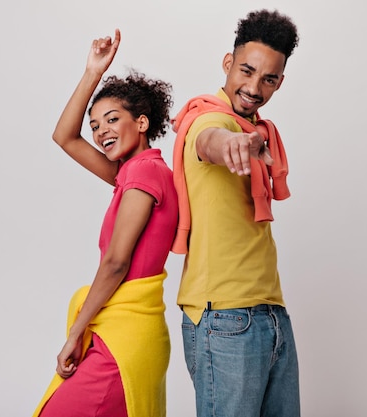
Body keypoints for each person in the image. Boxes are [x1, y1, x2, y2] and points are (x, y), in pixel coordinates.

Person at [32, 29, 178, 417]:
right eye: (96, 126)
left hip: (123, 338)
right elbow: (65, 136)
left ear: (143, 122)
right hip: (118, 330)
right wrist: (92, 73)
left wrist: (75, 334)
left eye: (112, 120)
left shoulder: (144, 175)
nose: (100, 132)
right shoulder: (132, 173)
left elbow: (116, 262)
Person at [171, 9, 301, 417]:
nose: (254, 87)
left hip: (269, 310)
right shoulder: (207, 120)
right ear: (228, 64)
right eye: (246, 70)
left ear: (280, 81)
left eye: (269, 78)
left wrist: (248, 141)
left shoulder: (259, 131)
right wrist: (230, 146)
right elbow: (210, 140)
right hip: (223, 317)